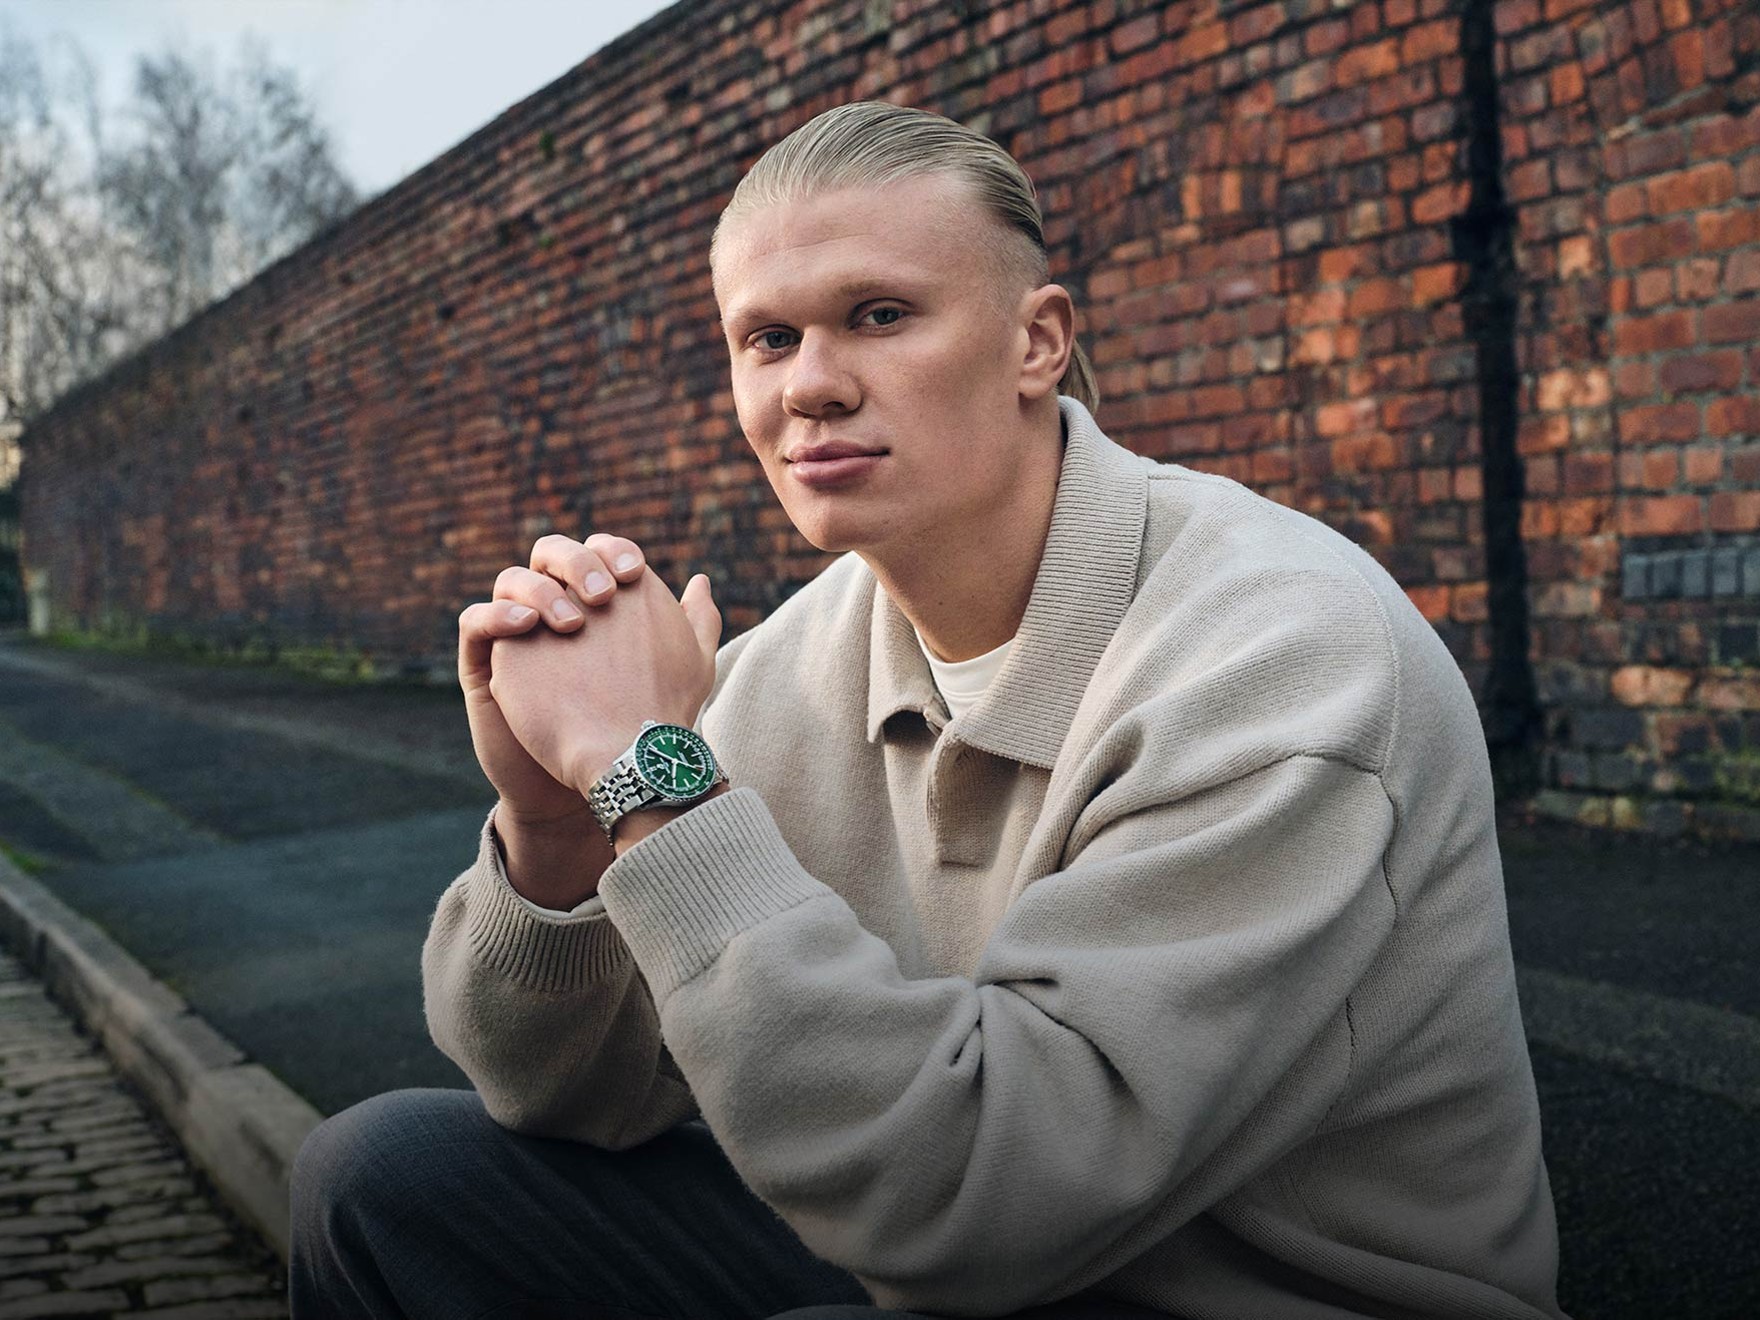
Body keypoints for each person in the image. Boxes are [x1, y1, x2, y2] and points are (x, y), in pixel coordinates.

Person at [290, 102, 1567, 1320]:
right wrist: (560, 824)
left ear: (1036, 340)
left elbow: (986, 1202)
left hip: (1261, 1293)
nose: (811, 386)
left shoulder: (1285, 654)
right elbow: (564, 1094)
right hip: (939, 1243)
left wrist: (651, 775)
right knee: (379, 1183)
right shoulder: (786, 664)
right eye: (766, 338)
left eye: (879, 315)